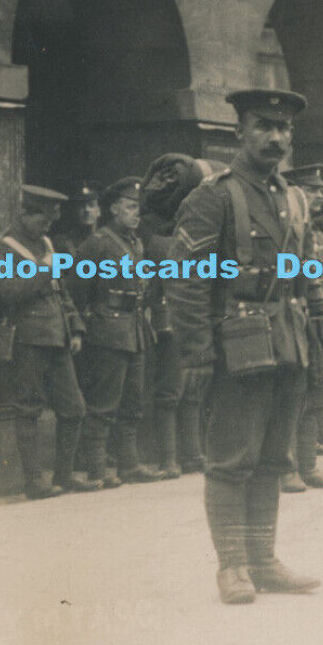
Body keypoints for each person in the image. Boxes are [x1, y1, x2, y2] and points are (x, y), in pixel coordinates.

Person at [167, 88, 321, 605]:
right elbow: (186, 281)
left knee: (274, 458)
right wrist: (197, 355)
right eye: (263, 126)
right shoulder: (214, 196)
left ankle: (264, 560)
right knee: (233, 458)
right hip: (237, 345)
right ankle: (232, 567)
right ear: (239, 131)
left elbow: (308, 275)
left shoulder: (294, 198)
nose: (275, 137)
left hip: (288, 342)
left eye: (284, 129)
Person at [65, 176, 161, 489]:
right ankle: (96, 469)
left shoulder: (136, 242)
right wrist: (88, 323)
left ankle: (129, 465)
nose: (137, 214)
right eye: (131, 207)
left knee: (133, 402)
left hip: (134, 330)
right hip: (107, 332)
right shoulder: (97, 244)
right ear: (115, 210)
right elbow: (77, 290)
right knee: (104, 403)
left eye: (138, 208)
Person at [0, 185, 87, 499]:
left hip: (58, 337)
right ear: (25, 214)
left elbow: (61, 291)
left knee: (74, 408)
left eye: (50, 222)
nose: (47, 227)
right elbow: (8, 291)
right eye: (42, 220)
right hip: (29, 339)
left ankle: (64, 475)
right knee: (29, 409)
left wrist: (74, 327)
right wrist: (43, 271)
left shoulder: (46, 243)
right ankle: (34, 482)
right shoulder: (3, 248)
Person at [141, 154, 213, 477]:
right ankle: (170, 458)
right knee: (171, 389)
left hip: (190, 314)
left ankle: (193, 455)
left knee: (193, 387)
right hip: (169, 316)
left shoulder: (181, 230)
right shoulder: (153, 235)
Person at [282, 163, 323, 491]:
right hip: (291, 322)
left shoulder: (316, 233)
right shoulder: (286, 232)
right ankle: (285, 469)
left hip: (317, 323)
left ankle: (306, 466)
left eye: (319, 191)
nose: (318, 196)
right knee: (292, 396)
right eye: (311, 191)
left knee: (318, 391)